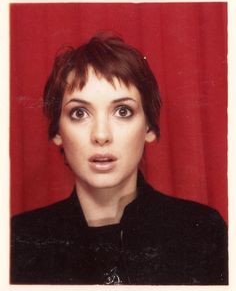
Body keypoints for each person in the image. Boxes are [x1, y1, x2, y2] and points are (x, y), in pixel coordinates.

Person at [11, 32, 228, 285]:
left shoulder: (200, 230)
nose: (101, 135)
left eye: (123, 111)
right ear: (58, 132)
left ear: (149, 128)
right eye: (79, 113)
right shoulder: (17, 239)